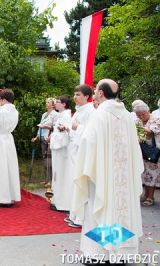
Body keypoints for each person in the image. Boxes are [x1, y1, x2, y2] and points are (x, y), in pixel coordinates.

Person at [72, 79, 144, 261]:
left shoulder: (99, 115)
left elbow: (88, 143)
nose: (94, 92)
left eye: (96, 90)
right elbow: (134, 147)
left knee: (101, 207)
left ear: (101, 93)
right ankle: (120, 254)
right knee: (119, 210)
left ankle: (100, 255)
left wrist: (84, 167)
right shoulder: (127, 115)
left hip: (101, 175)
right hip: (124, 177)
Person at [63, 85, 94, 228]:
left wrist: (76, 128)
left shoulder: (90, 111)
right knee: (74, 181)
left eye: (78, 94)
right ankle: (74, 214)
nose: (75, 97)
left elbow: (91, 132)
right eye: (74, 94)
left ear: (87, 96)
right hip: (74, 148)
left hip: (82, 150)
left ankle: (81, 218)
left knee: (80, 182)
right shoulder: (78, 111)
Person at [133, 101, 160, 206]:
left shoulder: (156, 119)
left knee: (152, 175)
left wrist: (137, 128)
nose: (141, 116)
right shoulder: (137, 121)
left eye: (143, 114)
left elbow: (150, 132)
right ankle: (146, 194)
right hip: (141, 152)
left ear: (148, 111)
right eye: (138, 114)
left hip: (153, 152)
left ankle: (150, 197)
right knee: (144, 174)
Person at [49, 96, 72, 212]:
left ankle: (64, 203)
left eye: (58, 102)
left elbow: (66, 134)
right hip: (57, 149)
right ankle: (57, 200)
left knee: (62, 175)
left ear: (64, 104)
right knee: (57, 175)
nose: (55, 104)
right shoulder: (61, 116)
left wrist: (55, 137)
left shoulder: (67, 116)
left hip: (62, 151)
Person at [31, 97, 58, 184]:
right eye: (46, 102)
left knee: (50, 159)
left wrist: (45, 127)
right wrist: (37, 136)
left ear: (53, 105)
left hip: (49, 138)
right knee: (45, 158)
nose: (46, 104)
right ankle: (46, 179)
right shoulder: (44, 114)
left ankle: (51, 180)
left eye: (48, 102)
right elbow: (40, 126)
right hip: (42, 137)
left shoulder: (55, 115)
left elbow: (55, 127)